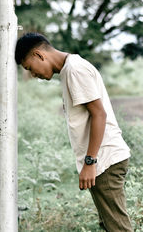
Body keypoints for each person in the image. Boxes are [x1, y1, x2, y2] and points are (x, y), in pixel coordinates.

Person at [15, 32, 133, 232]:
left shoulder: (74, 70)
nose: (33, 75)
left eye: (30, 68)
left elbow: (99, 115)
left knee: (118, 228)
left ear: (39, 55)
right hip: (103, 159)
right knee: (109, 224)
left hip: (105, 160)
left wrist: (90, 162)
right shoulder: (71, 69)